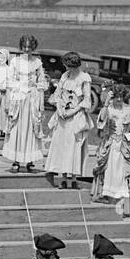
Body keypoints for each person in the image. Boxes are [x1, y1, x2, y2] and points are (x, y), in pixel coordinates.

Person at [44, 50, 94, 191]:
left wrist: (73, 111)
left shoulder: (84, 78)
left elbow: (86, 99)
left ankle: (73, 179)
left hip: (75, 116)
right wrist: (60, 109)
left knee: (73, 147)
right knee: (62, 146)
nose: (66, 68)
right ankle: (64, 177)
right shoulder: (65, 77)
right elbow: (58, 94)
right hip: (62, 117)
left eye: (68, 66)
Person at [2, 34, 48, 172]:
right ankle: (16, 159)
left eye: (29, 47)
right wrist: (9, 100)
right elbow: (9, 81)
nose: (27, 50)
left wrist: (37, 87)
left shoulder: (37, 62)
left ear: (33, 48)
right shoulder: (15, 61)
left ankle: (29, 159)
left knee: (31, 128)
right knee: (17, 127)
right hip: (18, 98)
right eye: (24, 47)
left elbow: (42, 83)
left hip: (32, 98)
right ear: (21, 47)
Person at [94, 88, 130, 209]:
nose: (119, 99)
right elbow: (101, 119)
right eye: (116, 96)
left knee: (121, 170)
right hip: (111, 142)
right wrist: (107, 101)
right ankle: (107, 195)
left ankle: (120, 200)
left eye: (121, 96)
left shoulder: (128, 108)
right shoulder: (109, 107)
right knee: (109, 168)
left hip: (124, 144)